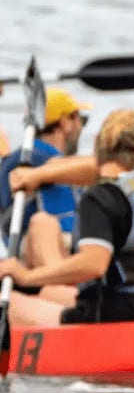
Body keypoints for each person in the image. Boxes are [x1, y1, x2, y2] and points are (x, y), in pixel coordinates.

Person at [0, 109, 134, 326]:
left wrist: (25, 276)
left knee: (12, 304)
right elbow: (100, 170)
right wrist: (37, 175)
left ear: (97, 143)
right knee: (49, 292)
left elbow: (94, 264)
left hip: (106, 316)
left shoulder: (99, 199)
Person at [0, 87, 90, 266]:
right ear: (65, 122)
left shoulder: (25, 158)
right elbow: (94, 169)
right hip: (42, 250)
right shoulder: (32, 157)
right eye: (81, 119)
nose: (81, 127)